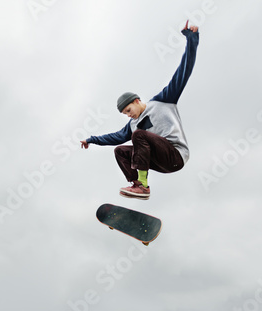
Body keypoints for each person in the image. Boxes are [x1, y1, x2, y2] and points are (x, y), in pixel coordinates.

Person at [80, 20, 199, 200]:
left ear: (137, 101)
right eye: (125, 114)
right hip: (159, 162)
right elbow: (115, 137)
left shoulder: (162, 101)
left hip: (176, 156)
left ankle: (143, 186)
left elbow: (183, 71)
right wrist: (91, 139)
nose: (129, 116)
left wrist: (192, 39)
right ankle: (138, 185)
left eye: (129, 110)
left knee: (139, 136)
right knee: (120, 150)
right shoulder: (133, 124)